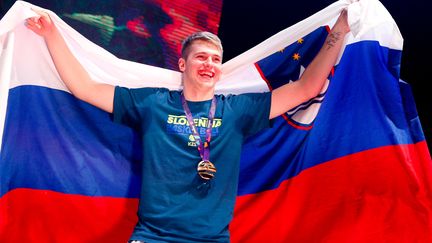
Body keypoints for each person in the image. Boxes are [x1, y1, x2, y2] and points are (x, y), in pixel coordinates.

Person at [26, 8, 350, 243]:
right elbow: (84, 88)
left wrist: (340, 30)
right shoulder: (153, 103)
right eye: (201, 57)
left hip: (210, 239)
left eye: (215, 59)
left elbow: (306, 88)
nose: (209, 64)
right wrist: (52, 34)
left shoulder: (237, 110)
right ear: (183, 64)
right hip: (153, 235)